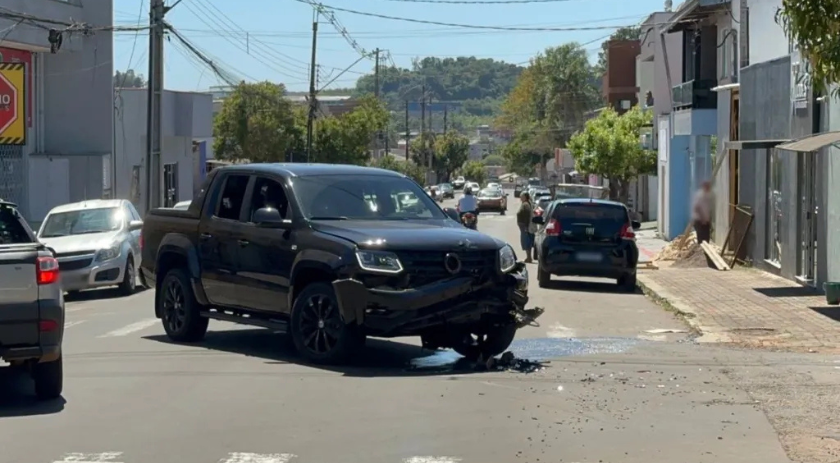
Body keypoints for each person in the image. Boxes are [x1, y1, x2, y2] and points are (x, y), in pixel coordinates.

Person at [517, 191, 536, 263]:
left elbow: (527, 216)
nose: (520, 198)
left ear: (525, 197)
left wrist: (526, 226)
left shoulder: (526, 205)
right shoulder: (527, 204)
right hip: (525, 226)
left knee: (526, 242)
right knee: (527, 241)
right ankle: (528, 257)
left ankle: (529, 258)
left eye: (521, 197)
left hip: (526, 226)